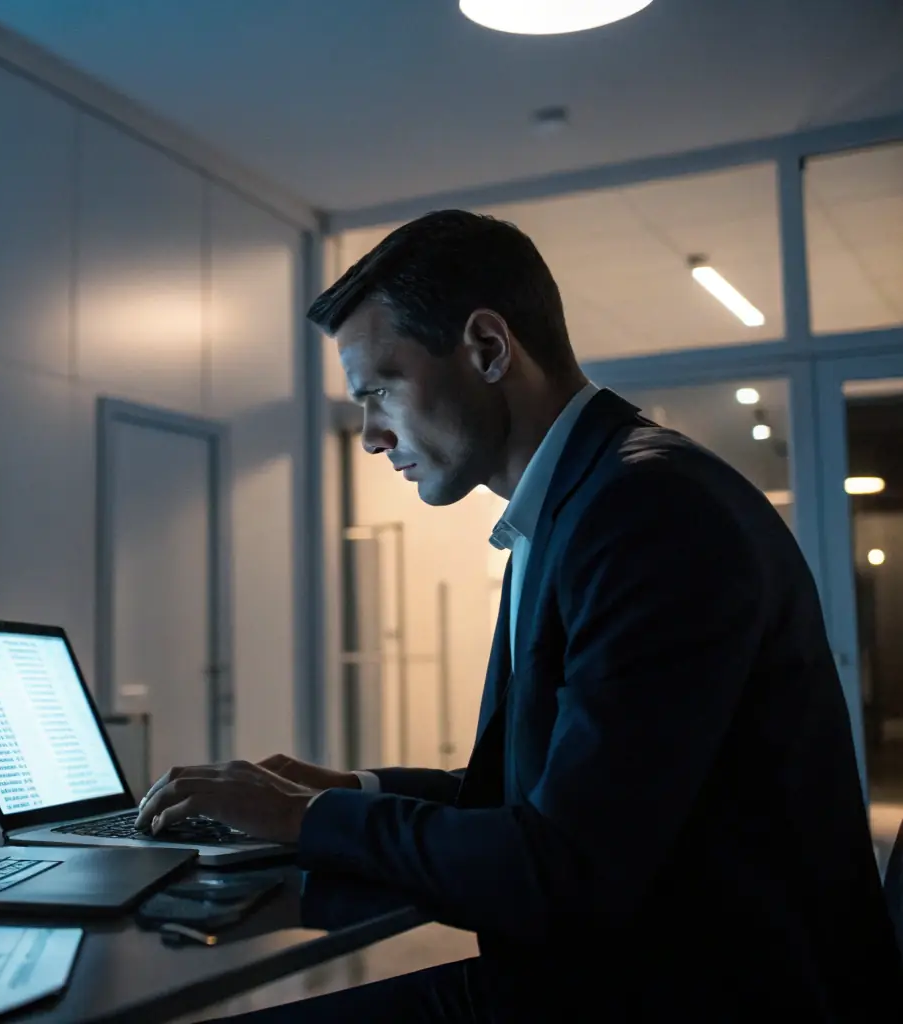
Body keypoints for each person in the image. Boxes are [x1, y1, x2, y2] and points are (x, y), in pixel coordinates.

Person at [135, 211, 903, 1021]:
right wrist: (348, 790)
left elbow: (564, 866)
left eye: (379, 391)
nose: (369, 436)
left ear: (487, 348)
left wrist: (306, 817)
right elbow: (543, 799)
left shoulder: (647, 511)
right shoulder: (582, 503)